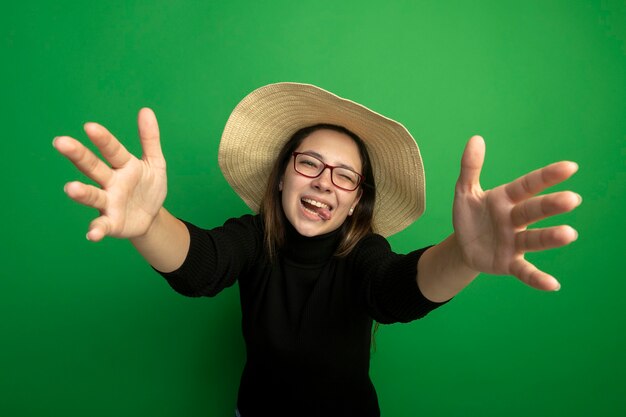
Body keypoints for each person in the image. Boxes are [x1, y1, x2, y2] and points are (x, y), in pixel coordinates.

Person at [53, 82, 581, 416]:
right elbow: (202, 266)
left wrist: (462, 256)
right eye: (309, 164)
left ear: (355, 203)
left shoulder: (365, 253)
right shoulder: (252, 237)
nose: (325, 182)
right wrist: (149, 224)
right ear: (282, 176)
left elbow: (395, 290)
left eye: (345, 176)